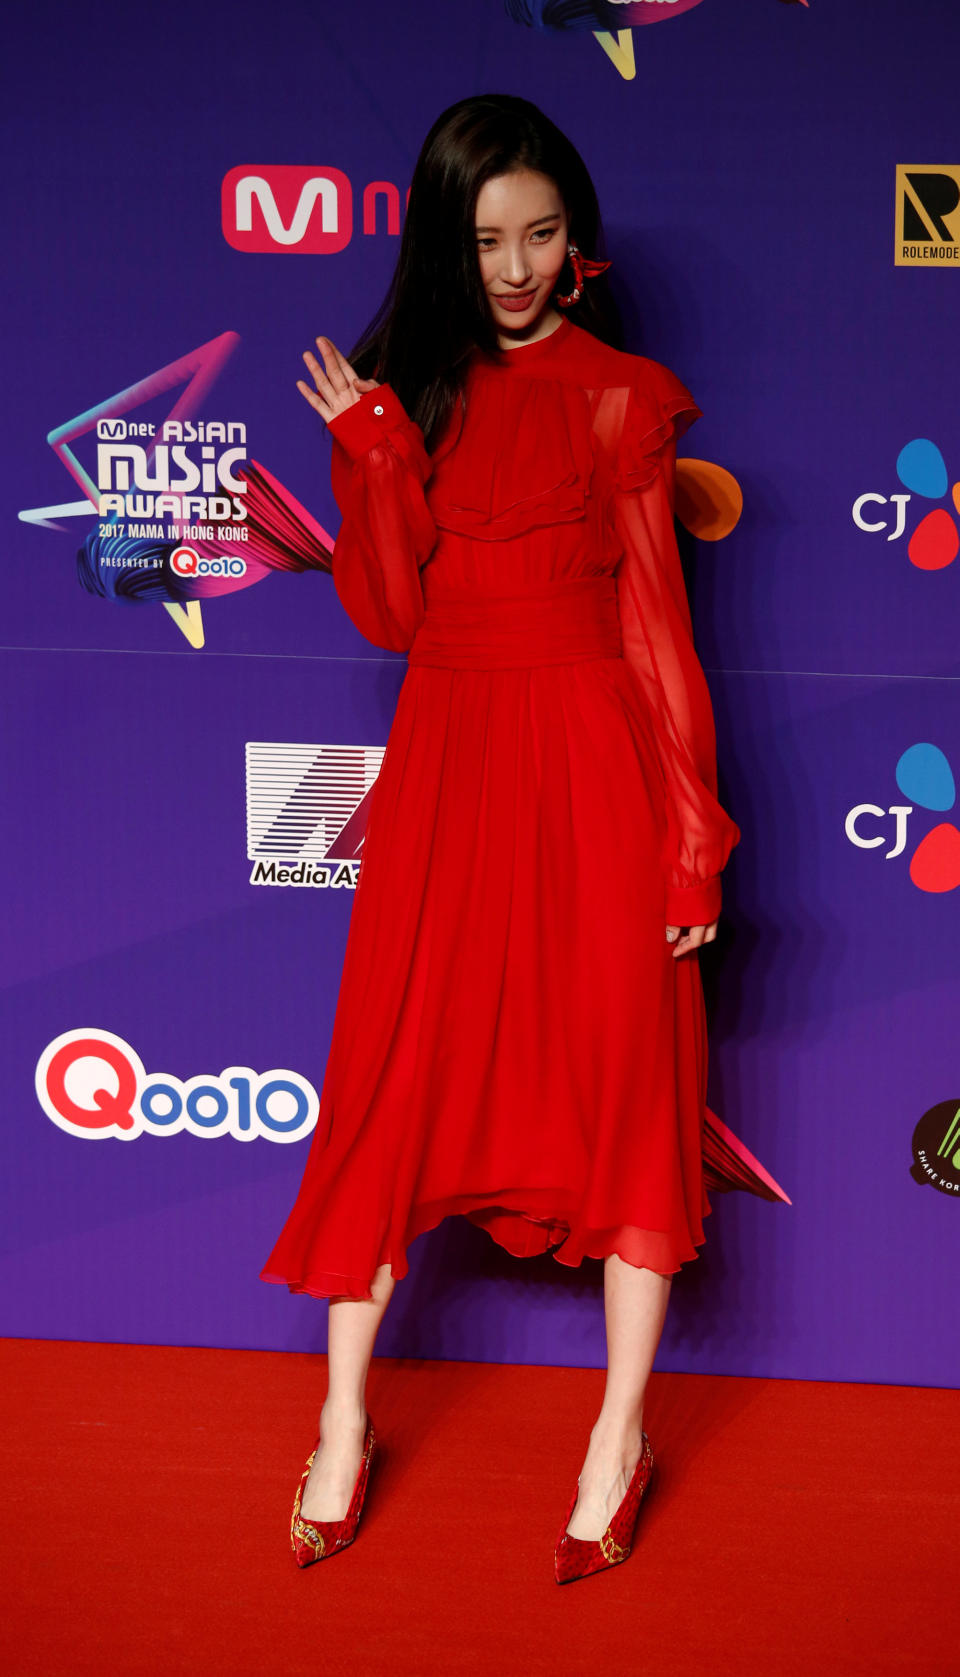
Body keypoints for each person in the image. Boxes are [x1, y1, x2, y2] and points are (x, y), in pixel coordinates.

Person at [261, 92, 741, 1583]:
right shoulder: (411, 397)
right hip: (451, 767)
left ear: (576, 241)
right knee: (391, 1074)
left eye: (540, 235)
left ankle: (618, 1435)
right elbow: (394, 615)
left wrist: (691, 840)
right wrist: (373, 453)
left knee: (624, 1075)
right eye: (486, 241)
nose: (516, 267)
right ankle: (341, 1420)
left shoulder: (620, 397)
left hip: (595, 766)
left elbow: (661, 636)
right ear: (445, 246)